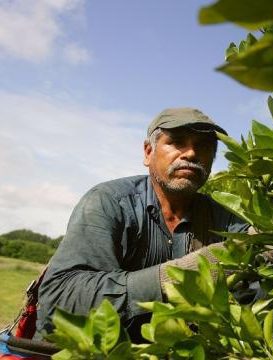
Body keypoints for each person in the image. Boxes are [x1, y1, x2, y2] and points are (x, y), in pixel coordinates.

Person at [36, 108, 250, 342]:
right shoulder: (109, 202)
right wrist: (178, 277)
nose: (190, 153)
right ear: (149, 152)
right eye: (177, 142)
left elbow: (254, 281)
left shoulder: (224, 220)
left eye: (204, 146)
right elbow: (59, 299)